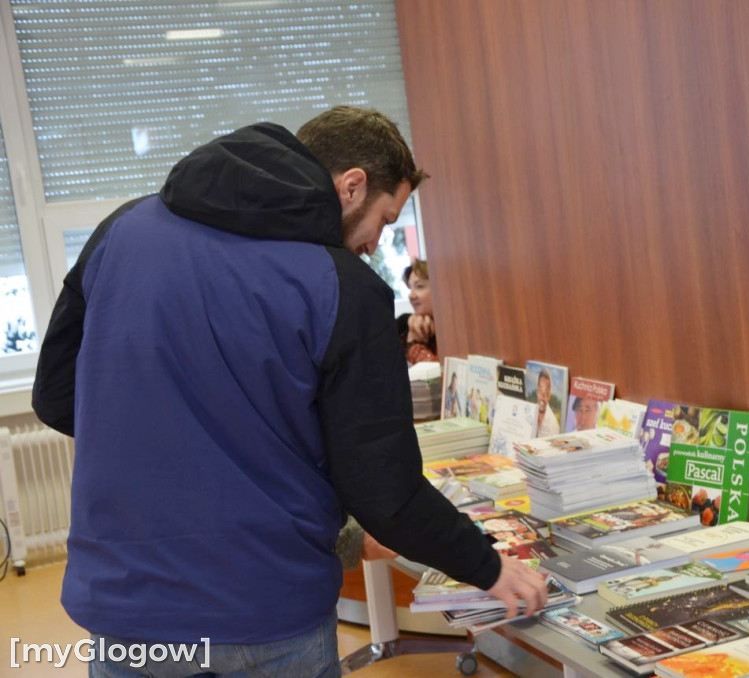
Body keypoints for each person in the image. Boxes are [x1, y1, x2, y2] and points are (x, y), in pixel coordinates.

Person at [32, 105, 545, 677]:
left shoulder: (121, 230)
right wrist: (491, 569)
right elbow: (386, 493)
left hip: (124, 604)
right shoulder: (342, 288)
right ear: (352, 187)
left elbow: (56, 395)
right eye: (386, 218)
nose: (377, 244)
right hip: (263, 608)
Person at [396, 258, 437, 364]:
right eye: (410, 288)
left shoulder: (454, 330)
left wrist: (414, 346)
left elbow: (445, 374)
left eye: (419, 287)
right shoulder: (404, 325)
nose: (411, 295)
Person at [536, 367, 560, 436]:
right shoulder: (530, 413)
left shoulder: (553, 424)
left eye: (546, 391)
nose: (543, 397)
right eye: (540, 390)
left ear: (549, 395)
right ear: (537, 391)